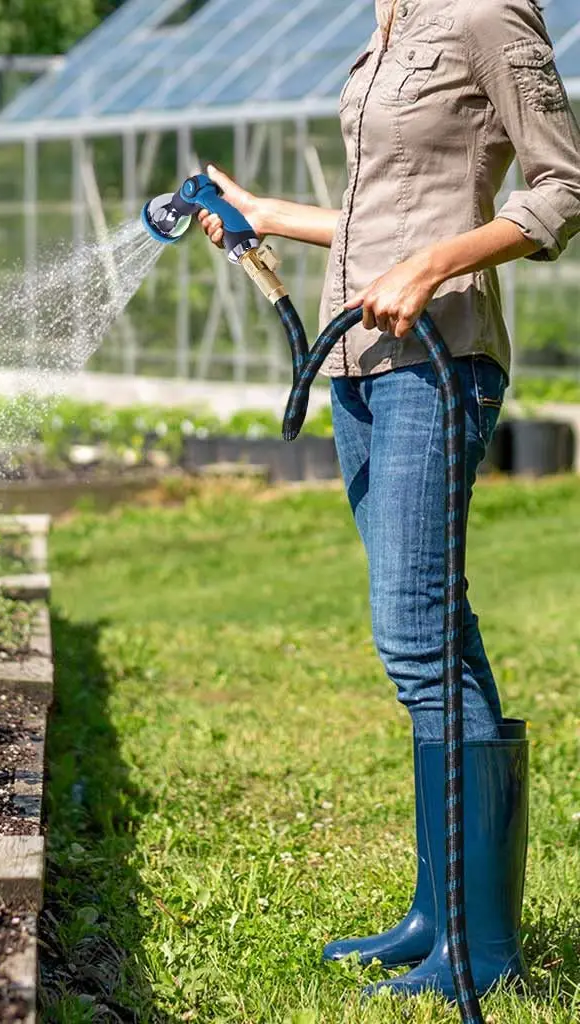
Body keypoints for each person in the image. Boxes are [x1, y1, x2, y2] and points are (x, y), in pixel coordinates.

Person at [199, 0, 580, 1002]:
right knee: (436, 632)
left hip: (438, 359)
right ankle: (442, 914)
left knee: (412, 636)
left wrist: (435, 263)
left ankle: (478, 945)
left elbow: (563, 187)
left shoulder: (486, 18)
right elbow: (385, 214)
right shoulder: (388, 24)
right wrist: (268, 216)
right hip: (360, 362)